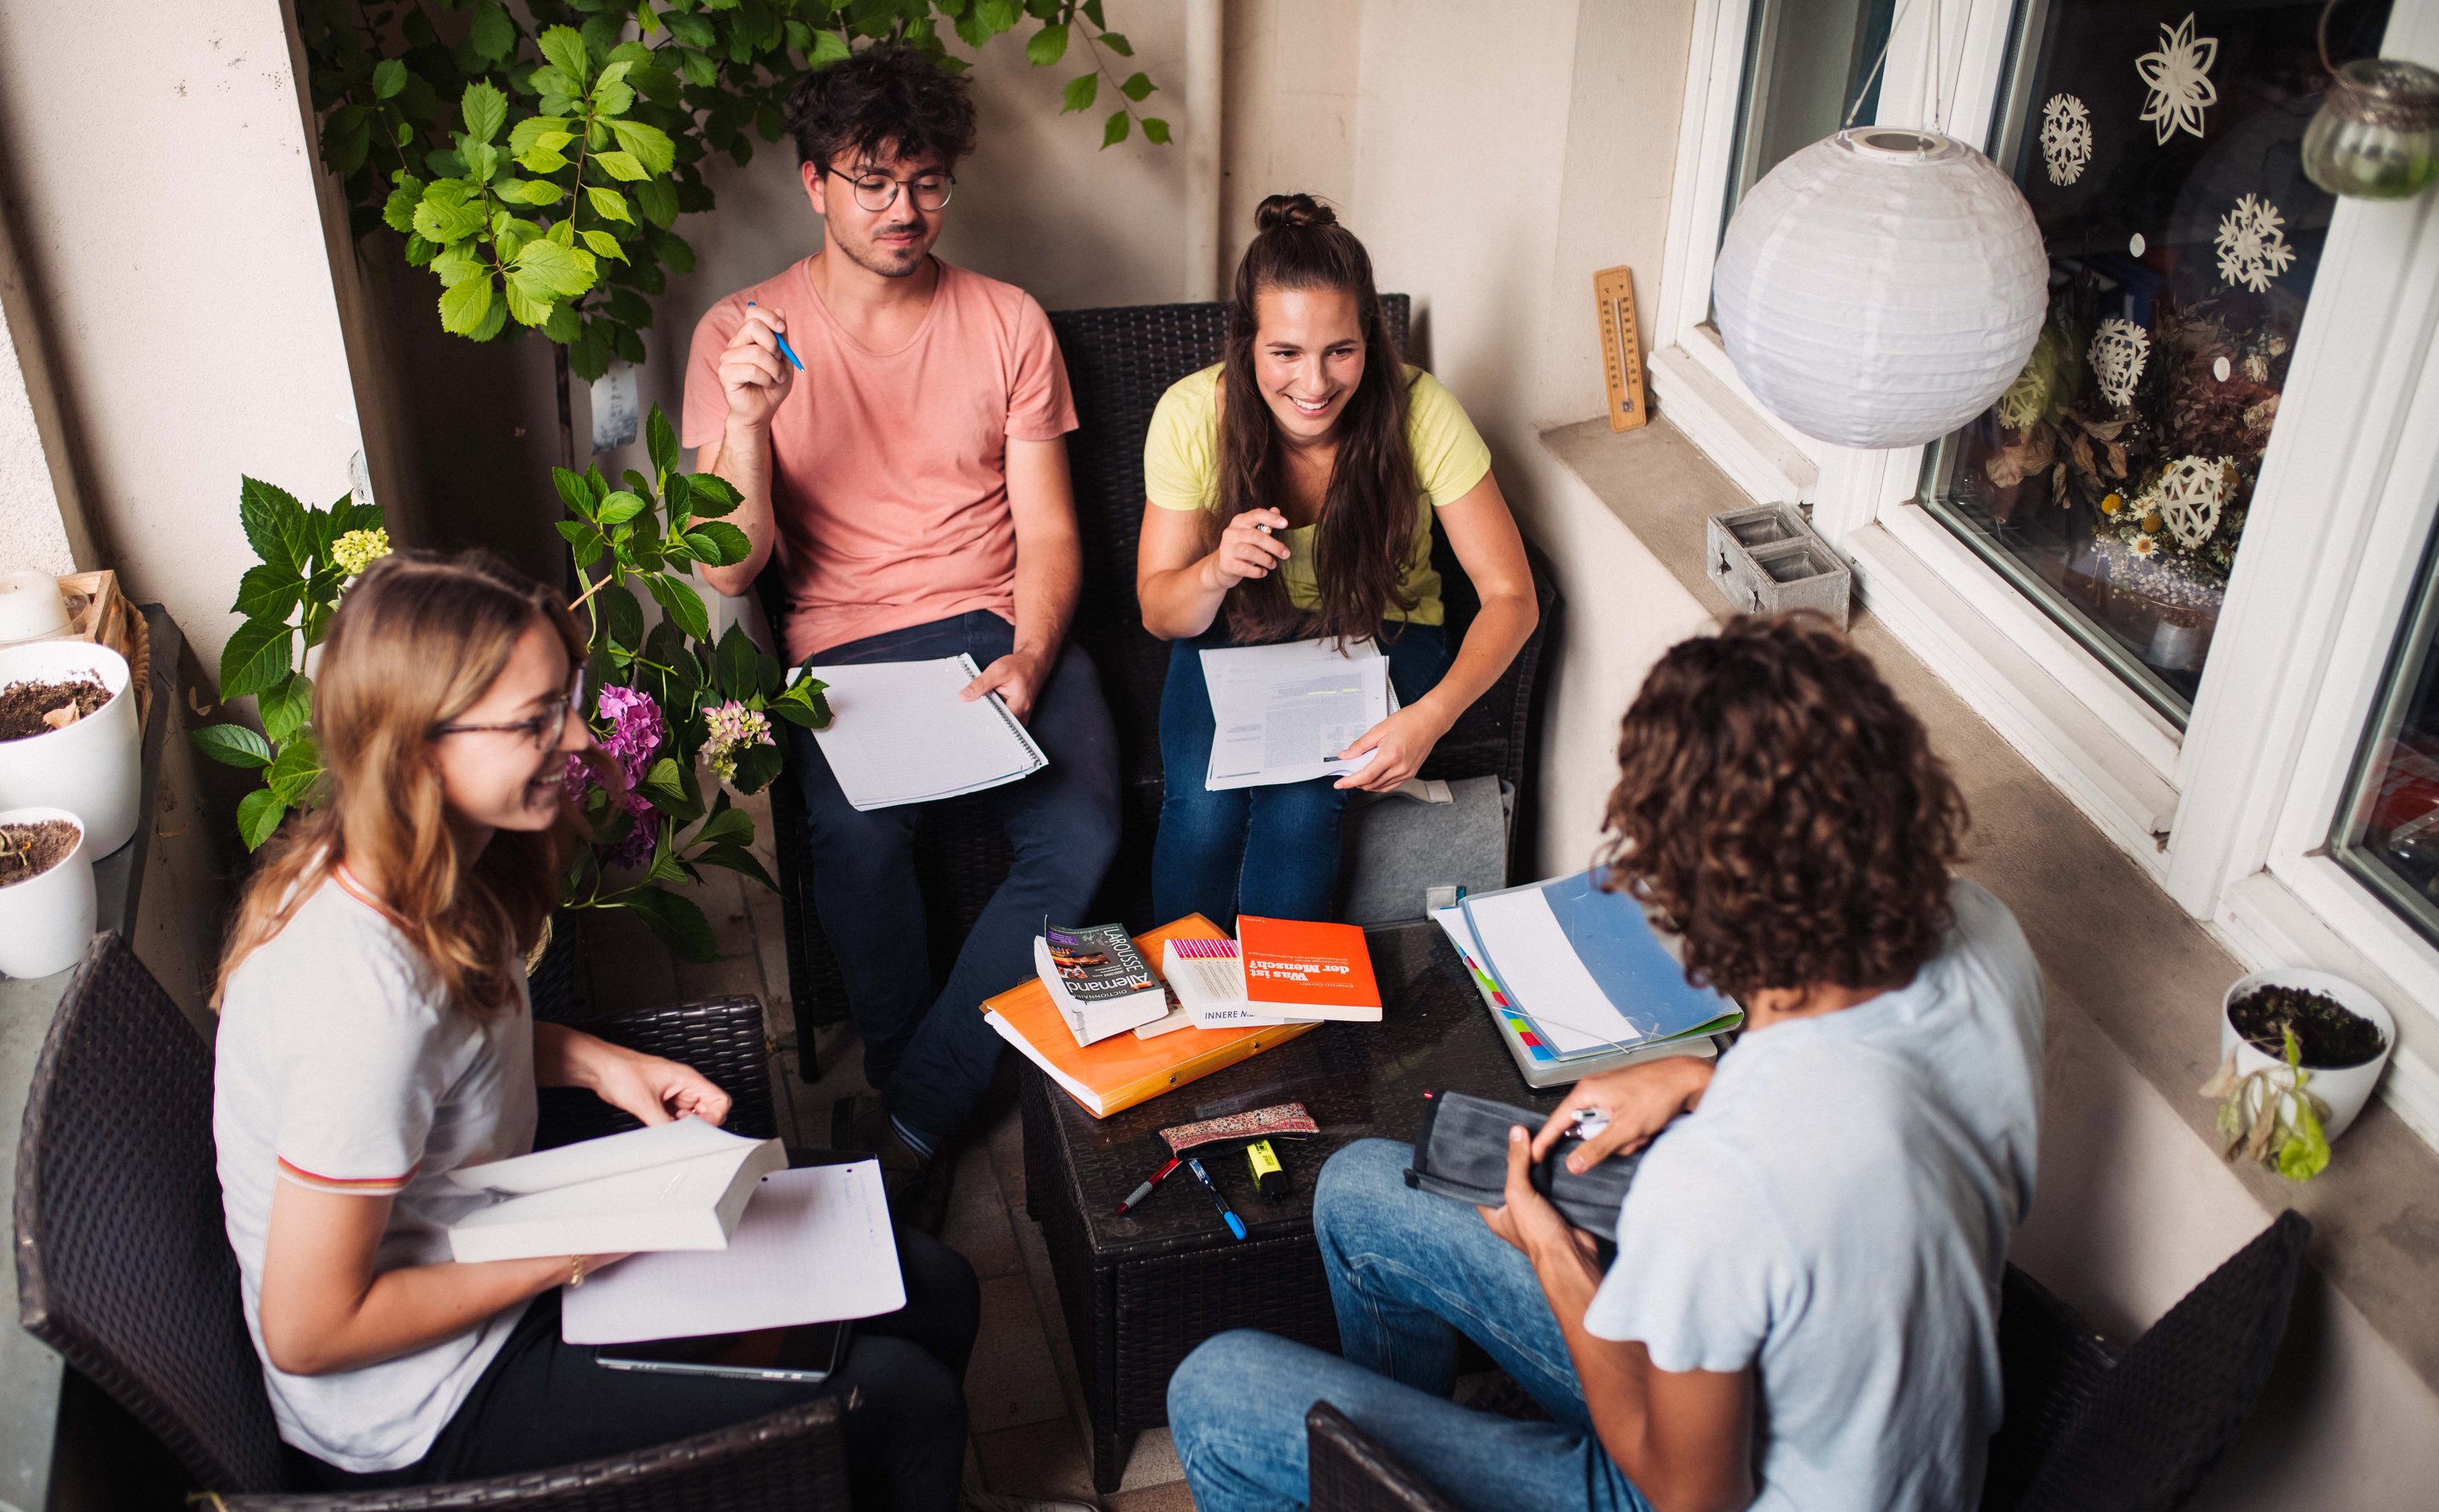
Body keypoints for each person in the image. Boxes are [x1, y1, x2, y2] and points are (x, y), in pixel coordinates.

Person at [1165, 614, 2046, 1512]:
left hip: (1709, 1486)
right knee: (1356, 1188)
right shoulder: (1982, 937)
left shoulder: (1726, 1178)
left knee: (1217, 1392)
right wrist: (1708, 1077)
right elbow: (1874, 1126)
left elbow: (1691, 1495)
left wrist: (1557, 1259)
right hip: (1898, 1444)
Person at [209, 551, 992, 1510]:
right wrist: (583, 1247)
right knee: (905, 1400)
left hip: (493, 1243)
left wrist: (598, 1062)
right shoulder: (360, 999)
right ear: (419, 748)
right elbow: (310, 1329)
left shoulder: (433, 857)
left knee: (935, 1287)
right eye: (536, 719)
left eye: (566, 698)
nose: (578, 735)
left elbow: (448, 1050)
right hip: (432, 1400)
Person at [680, 44, 1120, 1230]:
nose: (903, 210)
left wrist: (1031, 651)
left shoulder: (1007, 320)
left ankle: (912, 1115)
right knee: (857, 848)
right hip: (846, 644)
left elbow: (1051, 531)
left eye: (925, 182)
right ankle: (930, 1094)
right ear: (814, 181)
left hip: (994, 623)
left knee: (1082, 828)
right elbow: (727, 564)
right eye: (872, 181)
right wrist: (746, 422)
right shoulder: (742, 332)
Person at [1136, 194, 1538, 930]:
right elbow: (1161, 612)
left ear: (1370, 338)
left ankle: (1282, 1020)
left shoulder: (1421, 409)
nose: (1314, 385)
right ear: (1245, 343)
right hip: (1237, 627)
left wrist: (1430, 718)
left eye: (1340, 351)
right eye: (1285, 352)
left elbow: (1512, 594)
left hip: (1384, 627)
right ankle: (1188, 1008)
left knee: (1298, 799)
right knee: (1201, 809)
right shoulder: (1192, 413)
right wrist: (1215, 569)